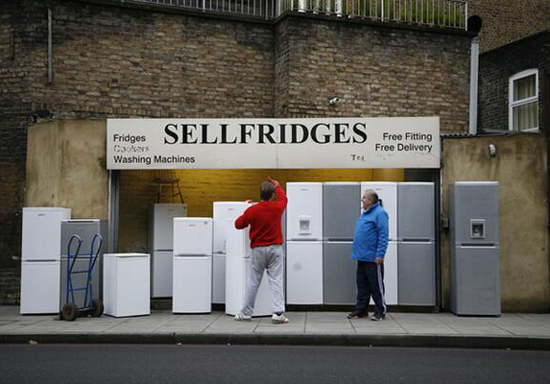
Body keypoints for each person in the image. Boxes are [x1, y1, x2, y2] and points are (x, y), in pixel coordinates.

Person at [234, 177, 289, 324]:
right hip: (275, 249)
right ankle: (278, 314)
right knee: (276, 281)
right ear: (272, 196)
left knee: (253, 282)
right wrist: (278, 186)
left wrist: (245, 210)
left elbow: (238, 224)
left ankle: (246, 313)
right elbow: (284, 199)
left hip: (258, 250)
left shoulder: (252, 210)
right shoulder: (277, 207)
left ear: (260, 194)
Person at [347, 189, 389, 321]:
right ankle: (361, 310)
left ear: (371, 201)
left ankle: (380, 311)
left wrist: (380, 255)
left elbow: (383, 235)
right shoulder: (365, 214)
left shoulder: (380, 213)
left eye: (364, 198)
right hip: (361, 256)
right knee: (362, 285)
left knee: (376, 286)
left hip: (373, 257)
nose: (362, 200)